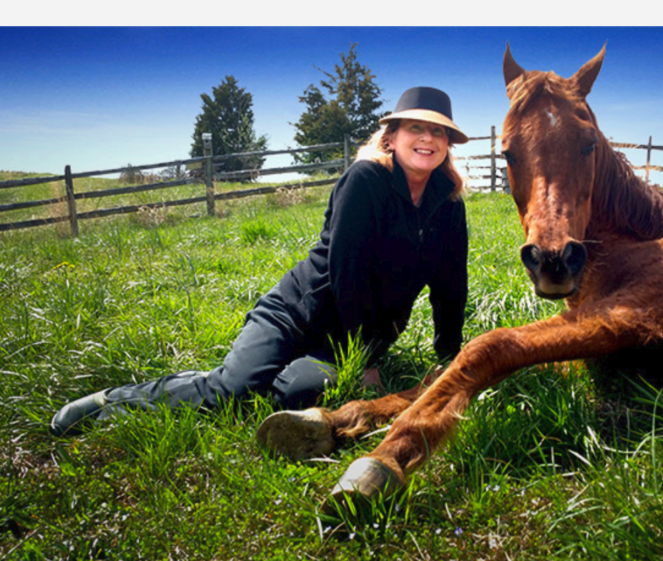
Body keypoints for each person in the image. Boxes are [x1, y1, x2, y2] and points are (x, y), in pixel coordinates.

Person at [50, 87, 470, 449]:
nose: (427, 139)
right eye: (416, 128)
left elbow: (451, 285)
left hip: (345, 339)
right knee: (231, 391)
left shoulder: (448, 204)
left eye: (438, 131)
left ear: (447, 143)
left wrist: (452, 358)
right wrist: (364, 362)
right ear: (391, 136)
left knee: (299, 394)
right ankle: (117, 400)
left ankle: (253, 376)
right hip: (294, 315)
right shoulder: (365, 181)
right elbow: (349, 275)